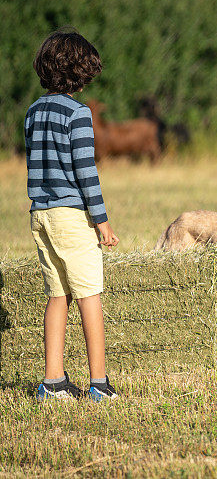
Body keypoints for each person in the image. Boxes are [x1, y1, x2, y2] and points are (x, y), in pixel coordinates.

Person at [25, 29, 120, 401]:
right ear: (79, 73)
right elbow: (86, 171)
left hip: (40, 213)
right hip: (69, 215)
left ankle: (52, 382)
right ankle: (99, 384)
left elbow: (35, 160)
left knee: (57, 295)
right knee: (89, 295)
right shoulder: (78, 113)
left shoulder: (33, 111)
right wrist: (102, 220)